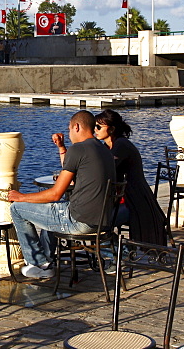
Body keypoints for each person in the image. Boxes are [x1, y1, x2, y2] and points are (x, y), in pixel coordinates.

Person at [7, 110, 116, 279]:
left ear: (77, 127)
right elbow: (72, 174)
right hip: (102, 221)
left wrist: (20, 197)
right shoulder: (103, 149)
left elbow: (56, 193)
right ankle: (47, 261)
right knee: (52, 209)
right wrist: (61, 148)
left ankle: (38, 263)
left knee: (17, 209)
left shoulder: (78, 148)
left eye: (70, 129)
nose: (69, 134)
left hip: (80, 221)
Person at [93, 109, 168, 245]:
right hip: (124, 198)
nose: (95, 130)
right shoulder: (108, 146)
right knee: (97, 219)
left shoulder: (120, 146)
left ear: (111, 129)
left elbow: (105, 171)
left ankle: (121, 252)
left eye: (98, 127)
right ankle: (116, 251)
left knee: (98, 223)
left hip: (135, 202)